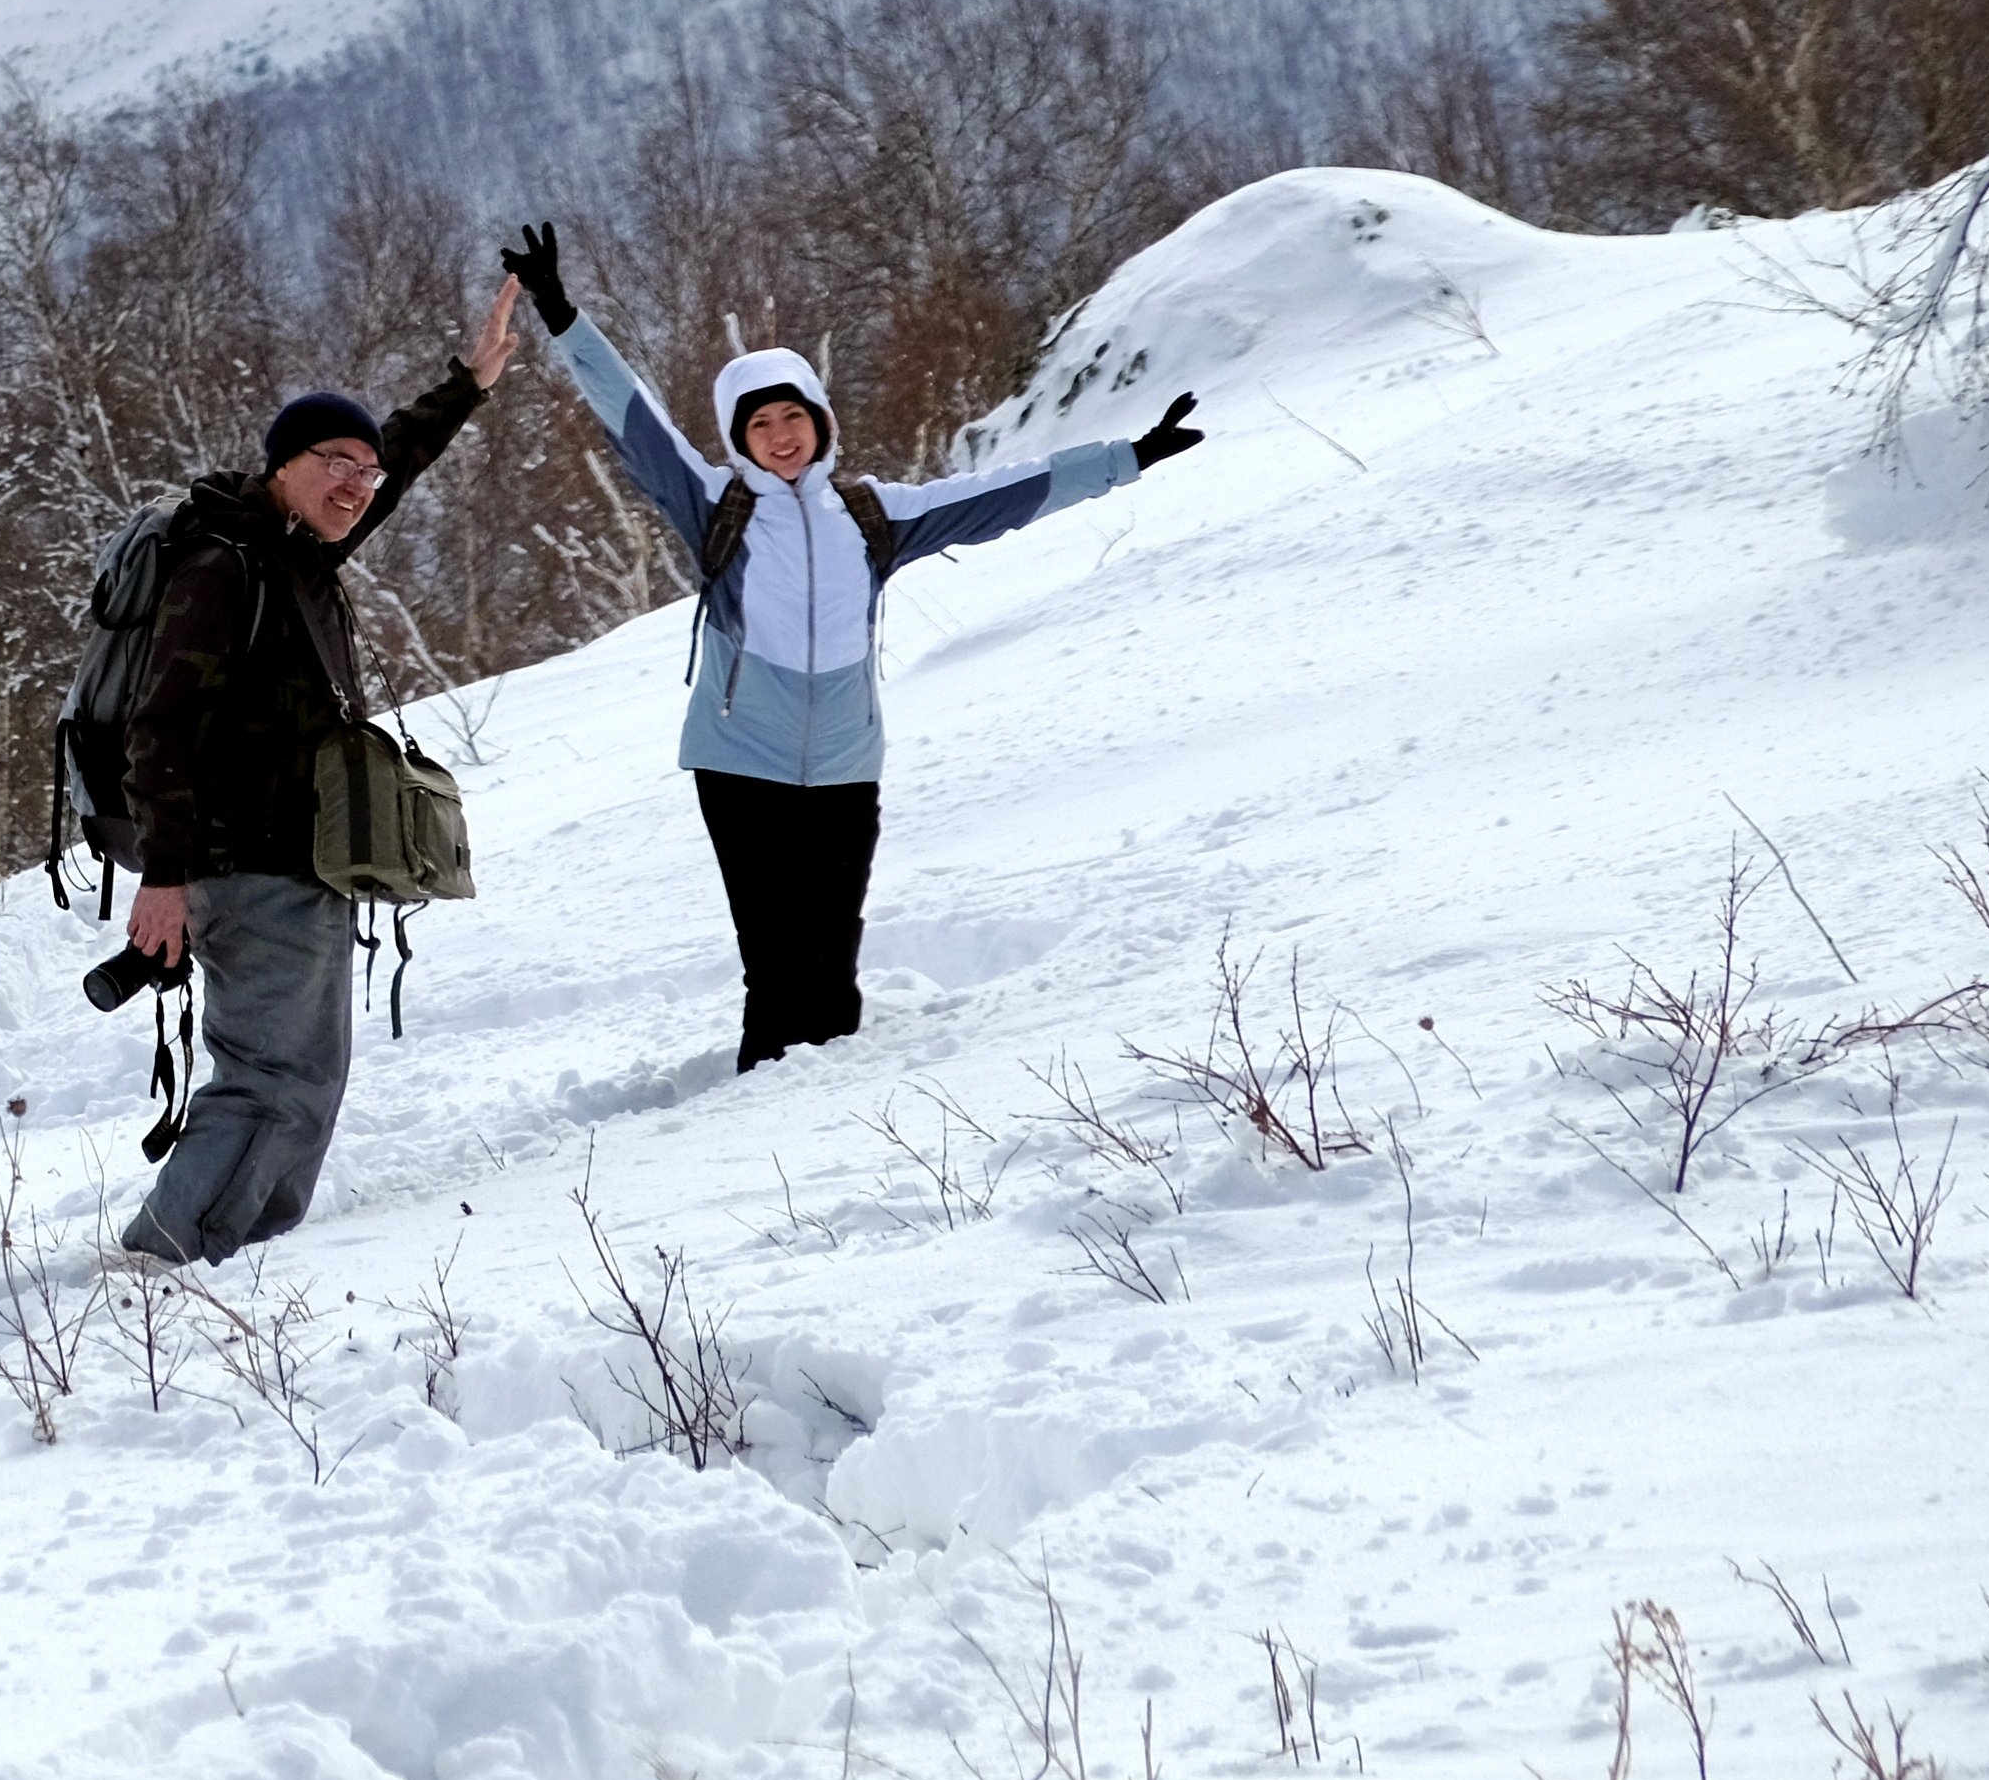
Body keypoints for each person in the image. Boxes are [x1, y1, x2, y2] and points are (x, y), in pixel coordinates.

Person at [500, 221, 1199, 1068]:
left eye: (794, 416)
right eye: (761, 425)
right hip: (739, 761)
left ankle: (832, 1113)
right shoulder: (715, 504)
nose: (781, 435)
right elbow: (632, 416)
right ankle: (753, 1110)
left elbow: (1004, 495)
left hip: (843, 762)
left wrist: (1128, 458)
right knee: (778, 963)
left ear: (821, 422)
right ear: (740, 440)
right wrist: (562, 313)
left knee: (833, 966)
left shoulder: (874, 516)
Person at [109, 269, 525, 1264]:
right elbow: (158, 727)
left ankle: (236, 1250)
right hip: (245, 867)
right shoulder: (225, 569)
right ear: (281, 465)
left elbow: (398, 465)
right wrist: (165, 876)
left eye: (365, 472)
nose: (356, 484)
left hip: (297, 865)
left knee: (304, 1077)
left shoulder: (291, 556)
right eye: (335, 461)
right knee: (270, 1080)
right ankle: (160, 1264)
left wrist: (467, 384)